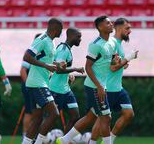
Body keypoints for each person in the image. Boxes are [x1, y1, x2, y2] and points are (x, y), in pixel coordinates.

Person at [57, 16, 117, 144]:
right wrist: (99, 86)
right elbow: (88, 67)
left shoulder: (112, 42)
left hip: (101, 86)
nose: (111, 24)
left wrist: (116, 61)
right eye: (108, 23)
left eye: (111, 22)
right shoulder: (95, 45)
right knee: (106, 117)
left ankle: (63, 140)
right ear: (100, 27)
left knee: (90, 117)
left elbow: (109, 61)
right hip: (95, 86)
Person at [90, 18, 138, 144]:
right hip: (109, 88)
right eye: (127, 28)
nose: (130, 31)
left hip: (118, 88)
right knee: (101, 119)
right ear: (118, 28)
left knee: (129, 114)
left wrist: (124, 62)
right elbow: (112, 68)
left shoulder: (118, 44)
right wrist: (128, 58)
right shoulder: (112, 43)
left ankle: (108, 140)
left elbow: (116, 64)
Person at [21, 18, 64, 144]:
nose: (62, 32)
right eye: (61, 29)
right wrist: (46, 66)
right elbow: (27, 56)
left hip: (40, 83)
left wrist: (58, 64)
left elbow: (47, 61)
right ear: (55, 29)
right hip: (37, 83)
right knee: (54, 113)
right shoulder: (42, 39)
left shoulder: (51, 42)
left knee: (37, 119)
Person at [49, 27, 84, 133]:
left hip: (66, 90)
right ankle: (37, 140)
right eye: (78, 37)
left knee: (75, 116)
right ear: (71, 36)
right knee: (49, 120)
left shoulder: (66, 49)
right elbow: (58, 70)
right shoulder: (63, 50)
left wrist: (68, 74)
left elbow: (61, 67)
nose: (80, 39)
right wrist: (75, 69)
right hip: (56, 89)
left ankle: (63, 140)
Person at [20, 33, 41, 138]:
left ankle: (33, 135)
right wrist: (29, 85)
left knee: (37, 112)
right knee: (29, 111)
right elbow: (23, 71)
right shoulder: (30, 53)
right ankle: (25, 136)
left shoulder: (43, 53)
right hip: (30, 86)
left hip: (38, 86)